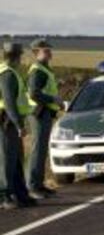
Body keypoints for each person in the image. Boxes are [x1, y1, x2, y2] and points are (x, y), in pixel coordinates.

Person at [0, 42, 37, 209]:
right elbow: (9, 102)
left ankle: (20, 194)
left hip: (10, 121)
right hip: (6, 121)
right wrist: (18, 124)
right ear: (17, 56)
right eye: (21, 55)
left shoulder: (9, 72)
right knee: (6, 161)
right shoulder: (7, 74)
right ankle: (4, 197)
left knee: (15, 160)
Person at [27, 39, 64, 199]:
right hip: (39, 113)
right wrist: (53, 99)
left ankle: (39, 185)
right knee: (37, 151)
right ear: (36, 52)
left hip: (45, 113)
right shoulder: (38, 71)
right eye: (46, 50)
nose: (50, 52)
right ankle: (33, 187)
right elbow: (34, 93)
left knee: (42, 151)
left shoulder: (44, 69)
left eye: (49, 49)